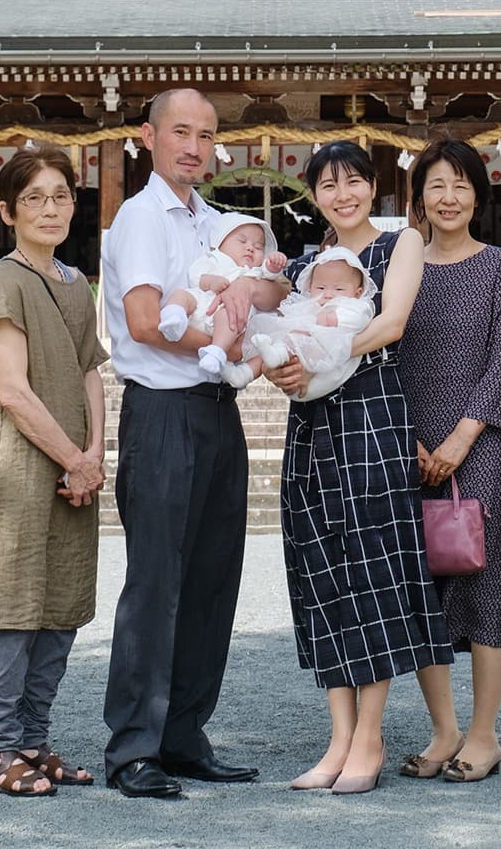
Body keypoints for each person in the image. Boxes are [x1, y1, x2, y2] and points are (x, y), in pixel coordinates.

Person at [99, 89, 284, 798]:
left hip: (217, 408)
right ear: (149, 137)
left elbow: (268, 289)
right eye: (180, 132)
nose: (193, 147)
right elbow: (146, 322)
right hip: (162, 411)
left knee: (212, 577)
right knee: (156, 581)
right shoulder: (141, 217)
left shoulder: (215, 222)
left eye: (206, 135)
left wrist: (249, 299)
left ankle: (183, 733)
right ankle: (134, 747)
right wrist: (227, 339)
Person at [264, 140, 452, 795]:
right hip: (312, 423)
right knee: (319, 565)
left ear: (373, 186)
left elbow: (392, 323)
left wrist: (321, 357)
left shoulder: (400, 244)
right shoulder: (305, 267)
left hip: (373, 415)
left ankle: (370, 735)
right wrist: (283, 367)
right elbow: (280, 338)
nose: (342, 195)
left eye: (353, 182)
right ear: (314, 196)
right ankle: (339, 736)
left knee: (374, 567)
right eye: (327, 185)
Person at [0, 146, 106, 797]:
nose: (50, 209)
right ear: (7, 212)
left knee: (62, 602)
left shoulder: (76, 284)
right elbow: (14, 392)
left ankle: (32, 741)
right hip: (18, 470)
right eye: (34, 199)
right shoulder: (3, 283)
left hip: (75, 470)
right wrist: (75, 459)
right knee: (15, 605)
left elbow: (89, 371)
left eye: (61, 196)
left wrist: (95, 453)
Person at [397, 139, 501, 785]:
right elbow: (382, 358)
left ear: (479, 195)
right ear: (419, 196)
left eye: (461, 185)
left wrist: (460, 439)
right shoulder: (399, 268)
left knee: (486, 581)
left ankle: (483, 733)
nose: (448, 198)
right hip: (408, 448)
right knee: (420, 585)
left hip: (482, 448)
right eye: (436, 185)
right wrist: (410, 439)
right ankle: (444, 728)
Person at [212, 247, 374, 397]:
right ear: (310, 288)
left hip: (326, 371)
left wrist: (327, 319)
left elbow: (354, 320)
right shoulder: (311, 305)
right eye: (321, 288)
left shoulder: (356, 306)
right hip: (296, 372)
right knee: (275, 336)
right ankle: (244, 373)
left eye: (339, 289)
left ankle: (277, 354)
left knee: (296, 334)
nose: (328, 294)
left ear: (358, 292)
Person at [157, 213, 288, 344]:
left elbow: (269, 275)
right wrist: (210, 282)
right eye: (242, 241)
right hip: (200, 303)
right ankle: (174, 317)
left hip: (227, 316)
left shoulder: (254, 270)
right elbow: (195, 275)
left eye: (258, 247)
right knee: (181, 295)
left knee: (230, 316)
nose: (250, 248)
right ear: (221, 241)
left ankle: (217, 349)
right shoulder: (215, 258)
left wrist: (273, 264)